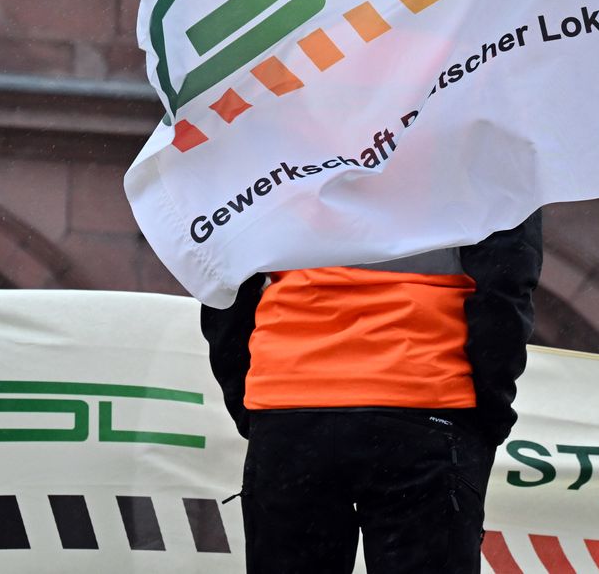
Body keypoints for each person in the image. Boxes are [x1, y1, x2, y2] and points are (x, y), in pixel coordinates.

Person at [201, 215, 542, 573]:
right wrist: (487, 410)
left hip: (290, 409)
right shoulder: (482, 157)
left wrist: (256, 403)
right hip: (426, 402)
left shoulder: (265, 157)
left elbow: (222, 275)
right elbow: (505, 280)